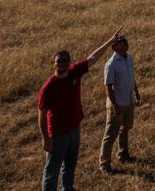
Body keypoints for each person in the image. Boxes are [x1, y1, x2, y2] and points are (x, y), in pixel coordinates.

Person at [38, 26, 122, 191]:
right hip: (57, 134)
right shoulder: (48, 87)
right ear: (54, 64)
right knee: (51, 170)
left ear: (69, 63)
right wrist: (45, 138)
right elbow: (41, 116)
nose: (61, 64)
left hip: (75, 129)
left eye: (64, 61)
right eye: (58, 61)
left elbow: (93, 58)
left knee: (70, 164)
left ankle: (67, 188)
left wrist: (110, 42)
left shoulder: (74, 72)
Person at [99, 33, 141, 173]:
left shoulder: (129, 57)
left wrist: (136, 91)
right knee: (110, 134)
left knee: (126, 128)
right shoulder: (110, 64)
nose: (123, 46)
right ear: (114, 47)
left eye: (124, 43)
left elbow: (131, 77)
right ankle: (104, 163)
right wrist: (115, 106)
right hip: (117, 104)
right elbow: (108, 88)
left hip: (129, 100)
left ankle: (123, 154)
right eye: (119, 44)